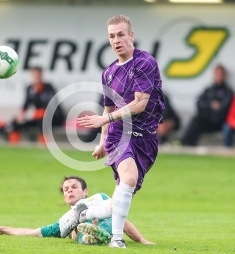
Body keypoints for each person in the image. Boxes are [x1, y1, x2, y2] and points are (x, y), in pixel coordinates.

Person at [70, 15, 164, 248]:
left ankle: (84, 213)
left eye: (121, 34)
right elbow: (108, 108)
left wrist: (105, 118)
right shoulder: (108, 73)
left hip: (147, 138)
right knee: (129, 177)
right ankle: (117, 239)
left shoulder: (145, 63)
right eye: (112, 36)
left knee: (120, 198)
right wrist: (102, 141)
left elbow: (140, 104)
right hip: (119, 134)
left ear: (131, 35)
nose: (116, 40)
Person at [0, 176, 154, 245]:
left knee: (108, 216)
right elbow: (32, 232)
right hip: (79, 228)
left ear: (85, 191)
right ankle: (86, 235)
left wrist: (142, 240)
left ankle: (96, 234)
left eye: (74, 187)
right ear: (64, 197)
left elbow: (123, 221)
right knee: (75, 227)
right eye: (66, 189)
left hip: (109, 227)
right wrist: (2, 228)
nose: (69, 190)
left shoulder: (100, 198)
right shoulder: (65, 220)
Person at [0, 67, 64, 143]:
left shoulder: (49, 88)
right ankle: (13, 147)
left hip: (53, 118)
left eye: (38, 75)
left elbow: (49, 110)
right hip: (38, 117)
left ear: (41, 75)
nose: (36, 77)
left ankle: (44, 147)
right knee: (16, 122)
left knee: (43, 122)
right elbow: (25, 105)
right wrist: (21, 114)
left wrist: (30, 115)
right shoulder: (30, 88)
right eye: (34, 75)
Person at [181, 65, 234, 147]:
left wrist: (216, 108)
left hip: (222, 122)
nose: (219, 76)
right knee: (196, 120)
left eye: (221, 74)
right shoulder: (208, 90)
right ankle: (186, 145)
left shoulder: (228, 91)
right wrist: (211, 105)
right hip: (208, 121)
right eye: (217, 74)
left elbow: (225, 108)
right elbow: (199, 104)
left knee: (228, 127)